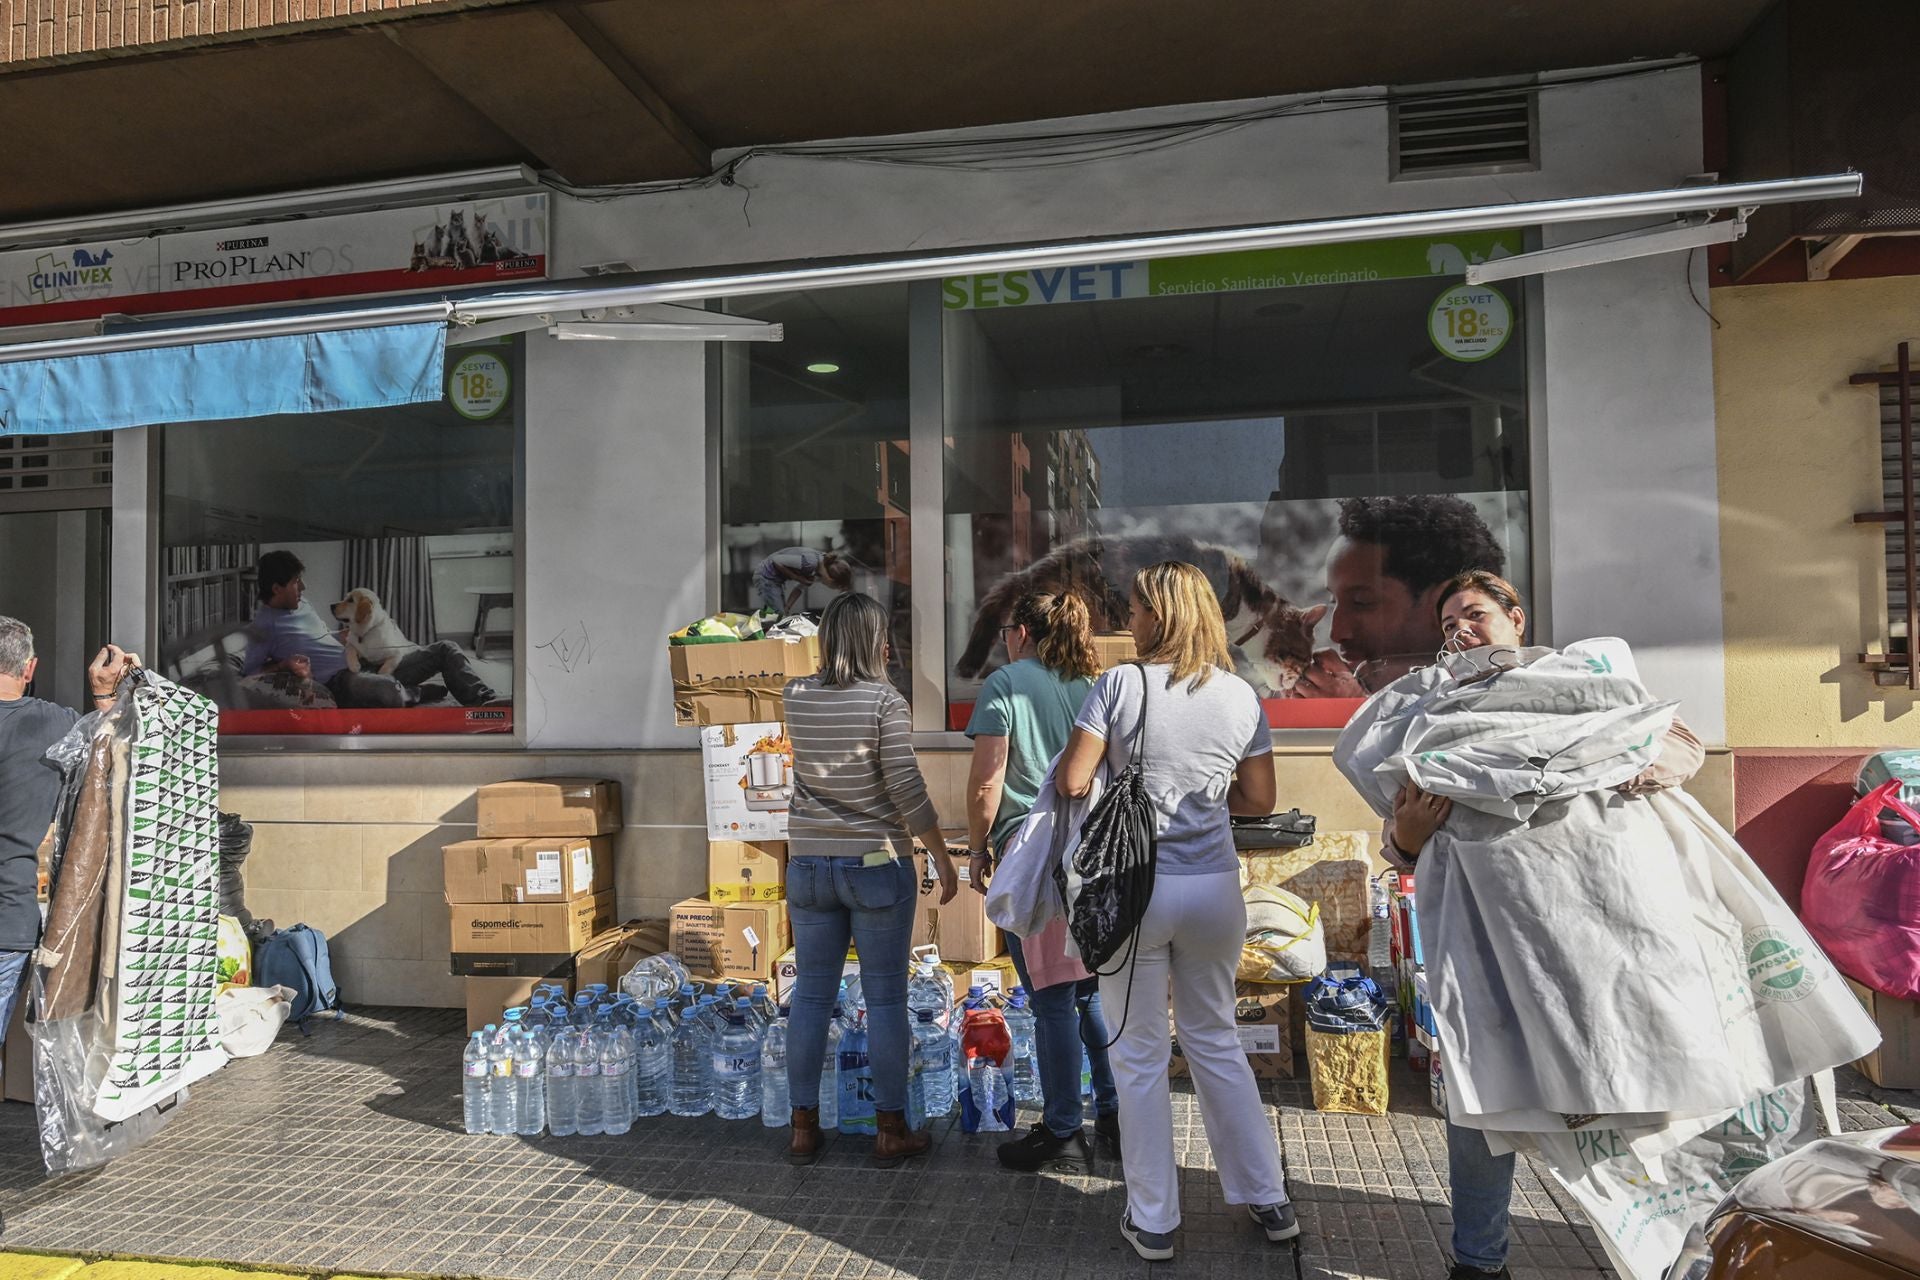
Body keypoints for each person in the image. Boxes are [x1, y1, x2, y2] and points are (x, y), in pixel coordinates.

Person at [1379, 570, 1702, 1280]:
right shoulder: (1437, 713)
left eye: (1476, 615)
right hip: (1484, 943)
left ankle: (1670, 1248)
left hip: (1595, 935)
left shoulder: (1579, 682)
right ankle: (1479, 1262)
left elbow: (1679, 745)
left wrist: (1615, 765)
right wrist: (1404, 833)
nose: (1462, 630)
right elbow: (1397, 841)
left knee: (1627, 1091)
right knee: (1482, 1101)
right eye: (1449, 625)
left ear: (1516, 621)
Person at [1055, 561, 1300, 1261]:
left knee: (1137, 1054)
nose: (1127, 621)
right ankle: (1268, 1198)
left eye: (1132, 609)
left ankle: (1156, 1219)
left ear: (1158, 615)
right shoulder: (1239, 695)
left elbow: (1075, 779)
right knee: (1215, 1040)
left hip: (1137, 889)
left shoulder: (1120, 684)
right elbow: (1257, 799)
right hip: (1216, 887)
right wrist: (1196, 793)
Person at [782, 592, 958, 1167]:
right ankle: (890, 1130)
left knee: (809, 995)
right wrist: (942, 855)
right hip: (876, 865)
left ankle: (802, 1128)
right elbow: (905, 787)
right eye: (883, 636)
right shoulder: (885, 699)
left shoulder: (796, 694)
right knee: (885, 999)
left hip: (807, 864)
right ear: (872, 642)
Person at [963, 591, 1121, 1173]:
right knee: (1090, 991)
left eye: (1008, 628)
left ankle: (1059, 1127)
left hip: (1031, 853)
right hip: (1093, 852)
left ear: (1023, 632)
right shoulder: (1097, 684)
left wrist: (977, 850)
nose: (1005, 639)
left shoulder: (1005, 683)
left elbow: (986, 782)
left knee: (1052, 999)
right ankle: (1114, 1113)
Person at [0, 616, 140, 1050]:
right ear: (29, 669)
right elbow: (116, 753)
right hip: (8, 919)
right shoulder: (51, 725)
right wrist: (107, 689)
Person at [1291, 494, 1507, 698]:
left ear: (1446, 604)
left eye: (1362, 603)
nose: (1337, 633)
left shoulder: (1508, 691)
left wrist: (1351, 709)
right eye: (1333, 602)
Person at [242, 551, 501, 709]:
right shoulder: (264, 627)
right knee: (385, 690)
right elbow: (248, 673)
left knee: (446, 649)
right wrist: (282, 665)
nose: (304, 587)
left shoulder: (302, 604)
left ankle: (483, 699)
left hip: (364, 660)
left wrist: (339, 636)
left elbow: (316, 638)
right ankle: (413, 693)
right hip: (341, 680)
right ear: (276, 588)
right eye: (296, 582)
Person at [754, 547, 854, 616]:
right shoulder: (811, 562)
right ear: (831, 579)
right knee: (778, 616)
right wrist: (797, 577)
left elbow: (799, 588)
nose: (832, 588)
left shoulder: (817, 571)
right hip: (766, 575)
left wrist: (788, 606)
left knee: (778, 613)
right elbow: (776, 560)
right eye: (835, 586)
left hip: (775, 581)